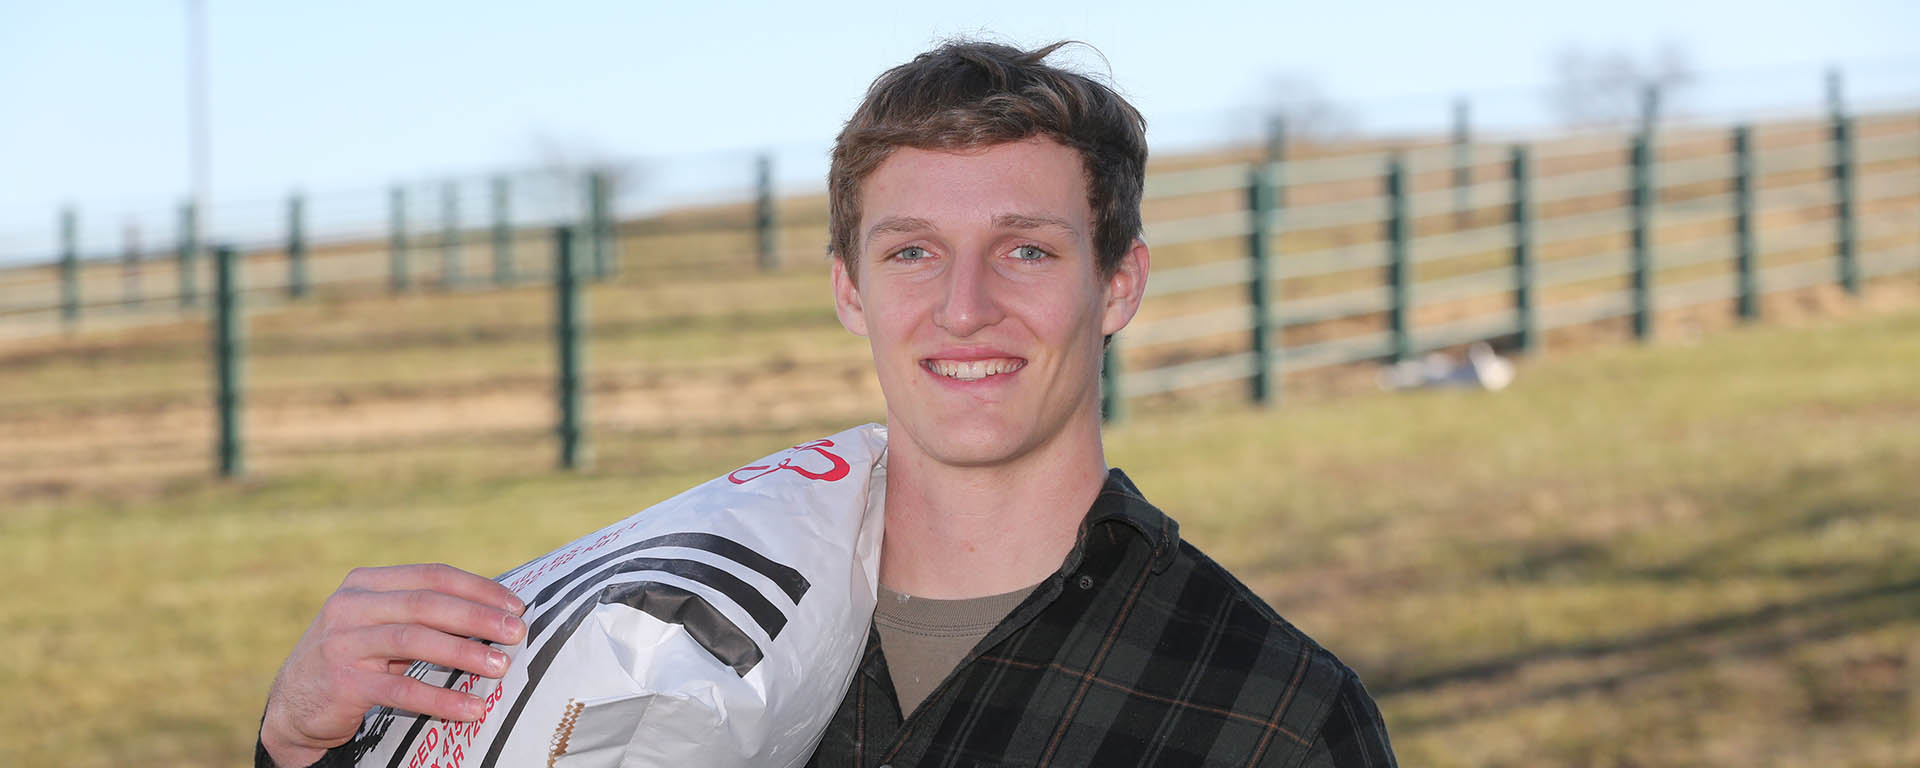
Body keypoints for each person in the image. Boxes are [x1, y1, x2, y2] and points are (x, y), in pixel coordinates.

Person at [258, 40, 1395, 768]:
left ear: (1120, 284)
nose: (963, 308)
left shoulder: (1272, 718)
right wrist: (299, 746)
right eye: (911, 253)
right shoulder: (662, 648)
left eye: (1028, 251)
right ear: (849, 288)